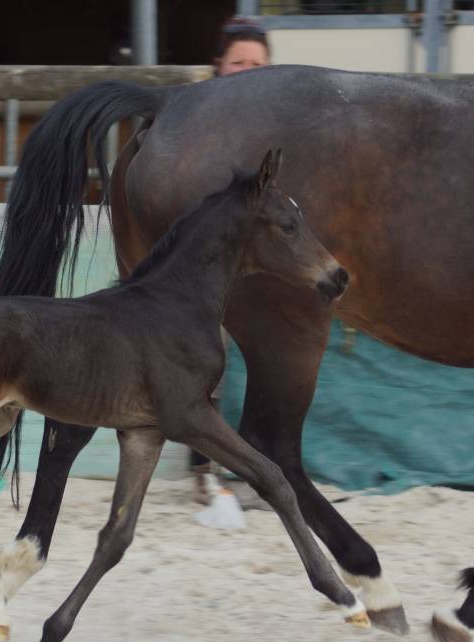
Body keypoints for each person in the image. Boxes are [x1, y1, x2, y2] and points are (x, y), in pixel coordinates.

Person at [191, 15, 273, 509]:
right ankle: (205, 470)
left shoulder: (278, 129)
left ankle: (263, 467)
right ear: (218, 68)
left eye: (257, 65)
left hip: (261, 267)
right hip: (209, 271)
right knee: (207, 358)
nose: (246, 72)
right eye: (237, 63)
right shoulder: (198, 128)